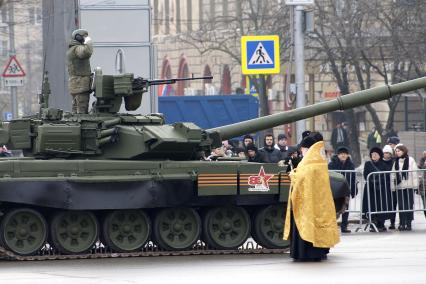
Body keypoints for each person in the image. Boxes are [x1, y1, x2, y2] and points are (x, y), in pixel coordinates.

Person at [284, 131, 340, 262]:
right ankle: (318, 252)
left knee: (305, 228)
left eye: (303, 148)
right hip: (318, 203)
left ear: (307, 149)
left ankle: (304, 254)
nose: (302, 151)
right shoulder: (319, 162)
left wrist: (293, 174)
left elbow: (301, 179)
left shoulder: (309, 164)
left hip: (306, 204)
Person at [362, 147, 393, 232]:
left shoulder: (384, 165)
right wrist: (372, 181)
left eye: (375, 154)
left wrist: (378, 181)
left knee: (381, 206)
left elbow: (386, 176)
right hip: (370, 189)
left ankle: (381, 224)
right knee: (371, 206)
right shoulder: (368, 164)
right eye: (372, 154)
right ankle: (373, 224)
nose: (374, 155)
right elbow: (366, 175)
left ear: (379, 155)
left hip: (381, 189)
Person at [328, 146, 356, 233]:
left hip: (346, 189)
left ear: (348, 155)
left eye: (345, 154)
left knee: (346, 208)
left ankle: (344, 226)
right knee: (334, 208)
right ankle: (332, 226)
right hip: (335, 190)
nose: (343, 155)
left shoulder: (350, 164)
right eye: (341, 154)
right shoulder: (332, 164)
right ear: (338, 155)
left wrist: (354, 189)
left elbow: (353, 177)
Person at [392, 144, 419, 231]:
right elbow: (393, 175)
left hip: (409, 186)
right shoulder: (396, 161)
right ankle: (402, 223)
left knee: (409, 205)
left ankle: (409, 223)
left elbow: (414, 174)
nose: (397, 153)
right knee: (401, 206)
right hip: (400, 187)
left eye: (399, 151)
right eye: (396, 151)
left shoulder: (410, 160)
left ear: (403, 151)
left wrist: (415, 186)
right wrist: (393, 187)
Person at [67, 29, 93, 114]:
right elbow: (87, 52)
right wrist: (88, 42)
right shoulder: (77, 49)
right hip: (80, 85)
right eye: (84, 36)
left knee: (76, 111)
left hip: (76, 85)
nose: (85, 38)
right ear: (78, 37)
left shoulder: (72, 49)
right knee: (82, 112)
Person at [382, 145, 397, 229]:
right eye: (385, 153)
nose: (386, 154)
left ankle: (392, 222)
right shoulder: (381, 161)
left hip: (392, 186)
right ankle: (382, 222)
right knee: (383, 204)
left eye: (388, 153)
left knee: (393, 205)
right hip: (383, 186)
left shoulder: (393, 162)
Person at [417, 151, 426, 218]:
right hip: (424, 185)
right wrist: (423, 158)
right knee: (425, 205)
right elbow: (420, 166)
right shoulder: (423, 159)